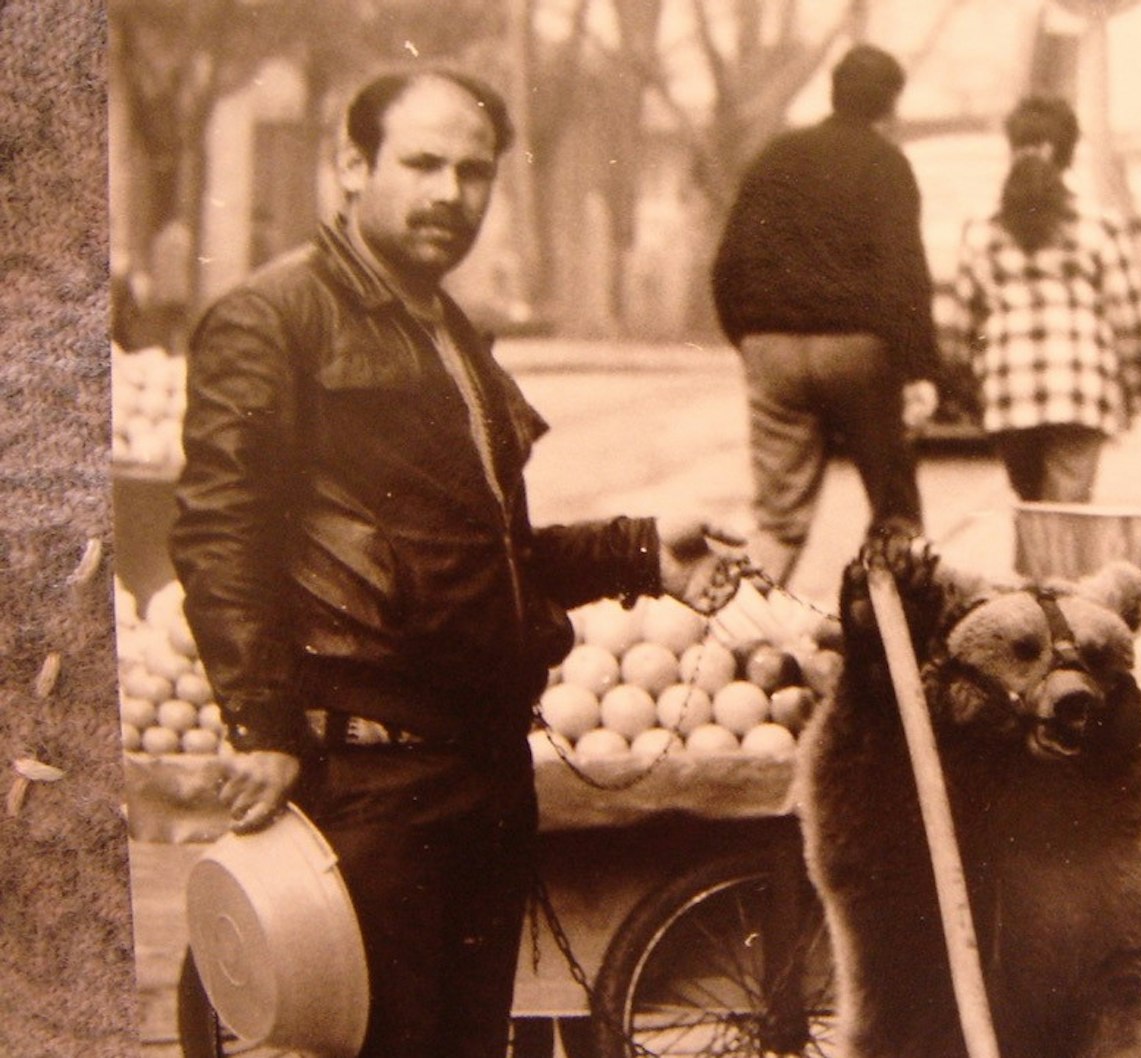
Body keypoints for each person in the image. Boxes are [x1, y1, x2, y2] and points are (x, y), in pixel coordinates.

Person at [171, 69, 737, 1058]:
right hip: (371, 786)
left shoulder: (449, 332)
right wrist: (259, 721)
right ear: (351, 166)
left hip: (478, 777)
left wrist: (643, 547)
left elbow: (491, 557)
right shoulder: (273, 318)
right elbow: (220, 528)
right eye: (421, 164)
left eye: (473, 172)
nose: (448, 194)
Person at [711, 43, 939, 587]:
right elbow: (905, 273)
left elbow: (728, 263)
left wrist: (749, 338)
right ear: (890, 105)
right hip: (859, 350)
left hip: (772, 345)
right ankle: (896, 643)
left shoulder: (776, 156)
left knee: (779, 521)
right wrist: (920, 367)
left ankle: (734, 641)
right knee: (895, 509)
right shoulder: (887, 164)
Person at [936, 96, 1141, 507]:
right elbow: (1129, 321)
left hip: (1008, 390)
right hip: (1081, 389)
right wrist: (1137, 390)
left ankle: (1037, 572)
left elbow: (963, 326)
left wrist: (973, 380)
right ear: (1067, 153)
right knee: (1065, 517)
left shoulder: (981, 229)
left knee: (1033, 510)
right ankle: (1052, 573)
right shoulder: (1100, 225)